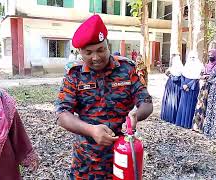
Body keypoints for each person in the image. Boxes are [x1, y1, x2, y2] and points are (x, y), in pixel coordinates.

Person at [55, 15, 153, 179]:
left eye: (101, 49)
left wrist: (137, 114)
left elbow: (146, 102)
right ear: (80, 52)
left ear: (108, 44)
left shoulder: (127, 69)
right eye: (88, 52)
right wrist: (91, 130)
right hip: (87, 162)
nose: (95, 57)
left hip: (122, 156)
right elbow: (61, 114)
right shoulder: (75, 75)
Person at [192, 49, 216, 132]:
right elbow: (200, 75)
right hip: (204, 88)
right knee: (200, 106)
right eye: (209, 56)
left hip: (212, 89)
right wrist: (205, 77)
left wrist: (207, 77)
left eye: (213, 56)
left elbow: (214, 77)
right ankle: (196, 126)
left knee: (208, 108)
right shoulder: (206, 65)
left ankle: (205, 128)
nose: (211, 57)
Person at [175, 51, 203, 129]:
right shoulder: (185, 67)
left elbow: (196, 79)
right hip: (184, 88)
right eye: (190, 57)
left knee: (191, 105)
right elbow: (182, 76)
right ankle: (181, 122)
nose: (192, 59)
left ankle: (188, 123)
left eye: (193, 57)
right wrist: (184, 85)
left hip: (193, 89)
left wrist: (188, 86)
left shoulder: (199, 67)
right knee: (183, 104)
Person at [160, 53, 184, 123]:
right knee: (174, 100)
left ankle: (168, 116)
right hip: (177, 86)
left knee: (170, 100)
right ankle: (174, 117)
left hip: (171, 85)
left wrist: (170, 75)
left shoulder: (171, 68)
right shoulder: (182, 68)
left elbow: (166, 73)